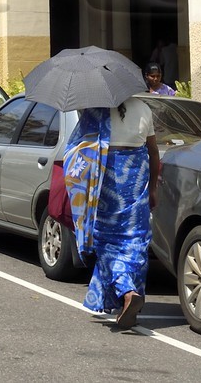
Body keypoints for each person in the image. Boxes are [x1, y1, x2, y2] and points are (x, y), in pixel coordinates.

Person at [62, 97, 163, 329]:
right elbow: (154, 152)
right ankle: (131, 295)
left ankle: (127, 291)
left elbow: (79, 148)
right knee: (135, 239)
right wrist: (154, 189)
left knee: (106, 241)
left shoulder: (95, 110)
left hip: (104, 181)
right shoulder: (144, 108)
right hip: (136, 179)